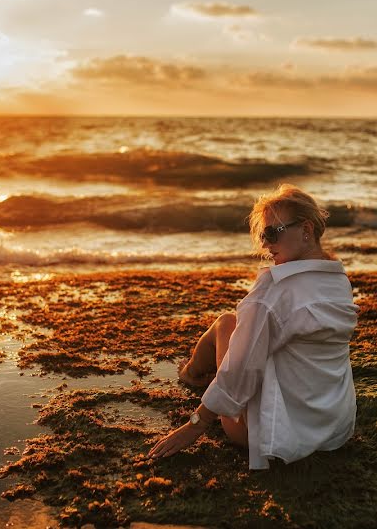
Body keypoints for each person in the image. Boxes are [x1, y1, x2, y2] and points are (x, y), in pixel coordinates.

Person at [147, 184, 360, 469]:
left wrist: (195, 425)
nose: (265, 244)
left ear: (306, 229)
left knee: (226, 324)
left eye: (272, 233)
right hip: (334, 428)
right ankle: (194, 374)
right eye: (263, 234)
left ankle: (191, 374)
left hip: (274, 436)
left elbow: (240, 370)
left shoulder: (274, 292)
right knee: (246, 333)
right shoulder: (337, 280)